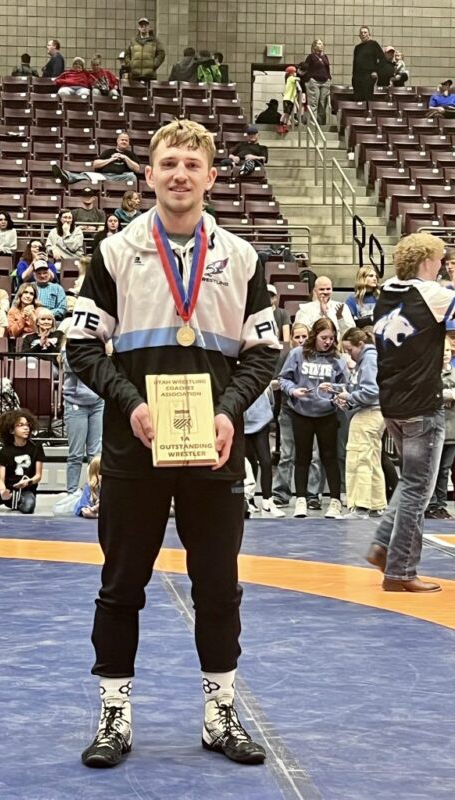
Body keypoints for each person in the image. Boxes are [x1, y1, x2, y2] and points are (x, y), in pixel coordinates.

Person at [67, 119, 279, 769]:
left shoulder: (242, 258)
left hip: (214, 449)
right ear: (149, 175)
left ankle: (219, 714)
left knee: (219, 588)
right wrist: (129, 405)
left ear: (212, 177)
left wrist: (228, 412)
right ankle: (114, 717)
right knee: (121, 585)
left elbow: (264, 351)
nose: (180, 173)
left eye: (193, 163)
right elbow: (81, 346)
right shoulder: (114, 254)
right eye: (169, 163)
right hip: (136, 450)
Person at [367, 232, 454, 593]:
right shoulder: (434, 294)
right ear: (427, 262)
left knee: (410, 481)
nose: (444, 265)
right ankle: (400, 571)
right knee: (419, 490)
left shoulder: (386, 292)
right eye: (441, 260)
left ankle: (381, 545)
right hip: (421, 404)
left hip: (392, 404)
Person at [279, 318, 349, 519]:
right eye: (323, 337)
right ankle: (300, 499)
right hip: (301, 413)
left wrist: (336, 394)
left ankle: (335, 502)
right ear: (314, 336)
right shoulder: (297, 354)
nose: (327, 342)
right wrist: (293, 390)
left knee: (330, 458)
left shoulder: (338, 359)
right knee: (302, 457)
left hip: (327, 414)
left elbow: (346, 386)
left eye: (331, 338)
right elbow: (284, 378)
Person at [271, 323, 323, 509]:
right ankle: (281, 493)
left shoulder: (318, 357)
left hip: (314, 413)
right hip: (289, 411)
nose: (301, 340)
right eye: (297, 337)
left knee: (315, 455)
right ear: (291, 338)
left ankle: (312, 494)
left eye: (304, 337)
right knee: (287, 454)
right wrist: (292, 389)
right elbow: (278, 381)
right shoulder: (287, 356)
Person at [335, 327, 386, 518]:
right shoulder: (367, 360)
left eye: (350, 350)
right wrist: (336, 390)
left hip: (369, 413)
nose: (349, 355)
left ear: (361, 345)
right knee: (371, 458)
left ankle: (361, 506)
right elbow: (358, 387)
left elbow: (371, 391)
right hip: (372, 412)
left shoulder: (369, 360)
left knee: (359, 459)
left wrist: (348, 396)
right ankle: (376, 504)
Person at [0, 410, 44, 514]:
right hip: (8, 490)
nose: (26, 428)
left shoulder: (36, 447)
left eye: (28, 425)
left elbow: (38, 476)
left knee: (28, 508)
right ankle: (12, 500)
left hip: (26, 491)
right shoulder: (5, 451)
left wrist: (28, 482)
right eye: (21, 425)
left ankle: (17, 501)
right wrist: (2, 491)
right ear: (11, 430)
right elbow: (1, 479)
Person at [61, 340, 104, 496]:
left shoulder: (99, 343)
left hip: (98, 401)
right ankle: (71, 493)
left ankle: (96, 492)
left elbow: (103, 368)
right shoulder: (68, 346)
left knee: (95, 453)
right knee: (76, 454)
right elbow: (70, 367)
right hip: (75, 402)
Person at [426, 323, 455, 519]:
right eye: (441, 350)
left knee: (444, 470)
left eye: (447, 350)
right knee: (431, 470)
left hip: (452, 430)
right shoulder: (429, 372)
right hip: (433, 429)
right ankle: (429, 503)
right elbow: (429, 394)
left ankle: (440, 504)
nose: (445, 354)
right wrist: (449, 394)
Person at [244, 387, 284, 517]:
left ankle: (267, 502)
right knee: (248, 463)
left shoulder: (260, 373)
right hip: (240, 423)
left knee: (266, 461)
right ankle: (247, 500)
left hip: (260, 421)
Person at [52, 131, 140, 187]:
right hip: (105, 177)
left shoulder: (130, 154)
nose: (124, 142)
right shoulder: (108, 152)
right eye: (122, 140)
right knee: (86, 175)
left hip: (120, 178)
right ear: (117, 141)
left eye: (126, 140)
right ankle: (67, 175)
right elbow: (95, 164)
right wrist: (111, 159)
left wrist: (125, 158)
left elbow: (137, 169)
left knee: (132, 176)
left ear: (128, 143)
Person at [124, 18, 165, 82]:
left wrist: (153, 65)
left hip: (149, 76)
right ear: (138, 28)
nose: (143, 27)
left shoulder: (155, 41)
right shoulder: (132, 41)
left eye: (145, 25)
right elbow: (127, 54)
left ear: (149, 27)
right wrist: (131, 65)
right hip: (135, 75)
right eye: (141, 25)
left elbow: (161, 54)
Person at [302, 39, 332, 126]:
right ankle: (312, 123)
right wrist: (309, 79)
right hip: (314, 81)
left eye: (322, 44)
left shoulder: (325, 57)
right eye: (319, 44)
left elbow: (327, 69)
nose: (321, 45)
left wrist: (329, 78)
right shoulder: (311, 56)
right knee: (313, 103)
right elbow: (306, 68)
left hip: (325, 82)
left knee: (323, 104)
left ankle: (321, 123)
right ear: (314, 46)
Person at [352, 26, 384, 102]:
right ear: (359, 35)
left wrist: (376, 71)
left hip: (369, 75)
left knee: (367, 98)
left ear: (369, 34)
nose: (363, 34)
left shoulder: (374, 44)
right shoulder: (357, 47)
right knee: (358, 98)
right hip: (357, 77)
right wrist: (353, 77)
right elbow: (355, 63)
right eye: (361, 33)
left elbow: (382, 59)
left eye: (365, 32)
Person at [278, 66, 300, 136]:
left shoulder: (290, 79)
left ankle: (285, 125)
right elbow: (298, 79)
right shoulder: (290, 78)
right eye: (295, 72)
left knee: (288, 114)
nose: (295, 73)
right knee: (285, 113)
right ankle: (280, 124)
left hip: (291, 99)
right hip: (287, 98)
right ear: (291, 73)